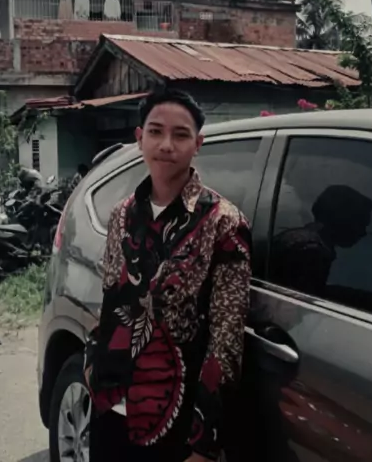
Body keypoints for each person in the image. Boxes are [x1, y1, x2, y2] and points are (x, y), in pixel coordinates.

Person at [83, 88, 252, 462]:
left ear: (197, 144)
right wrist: (93, 369)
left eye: (180, 135)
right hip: (111, 404)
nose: (166, 145)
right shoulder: (122, 214)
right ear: (139, 137)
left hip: (174, 418)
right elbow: (111, 300)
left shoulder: (223, 222)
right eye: (156, 132)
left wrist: (205, 441)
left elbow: (226, 338)